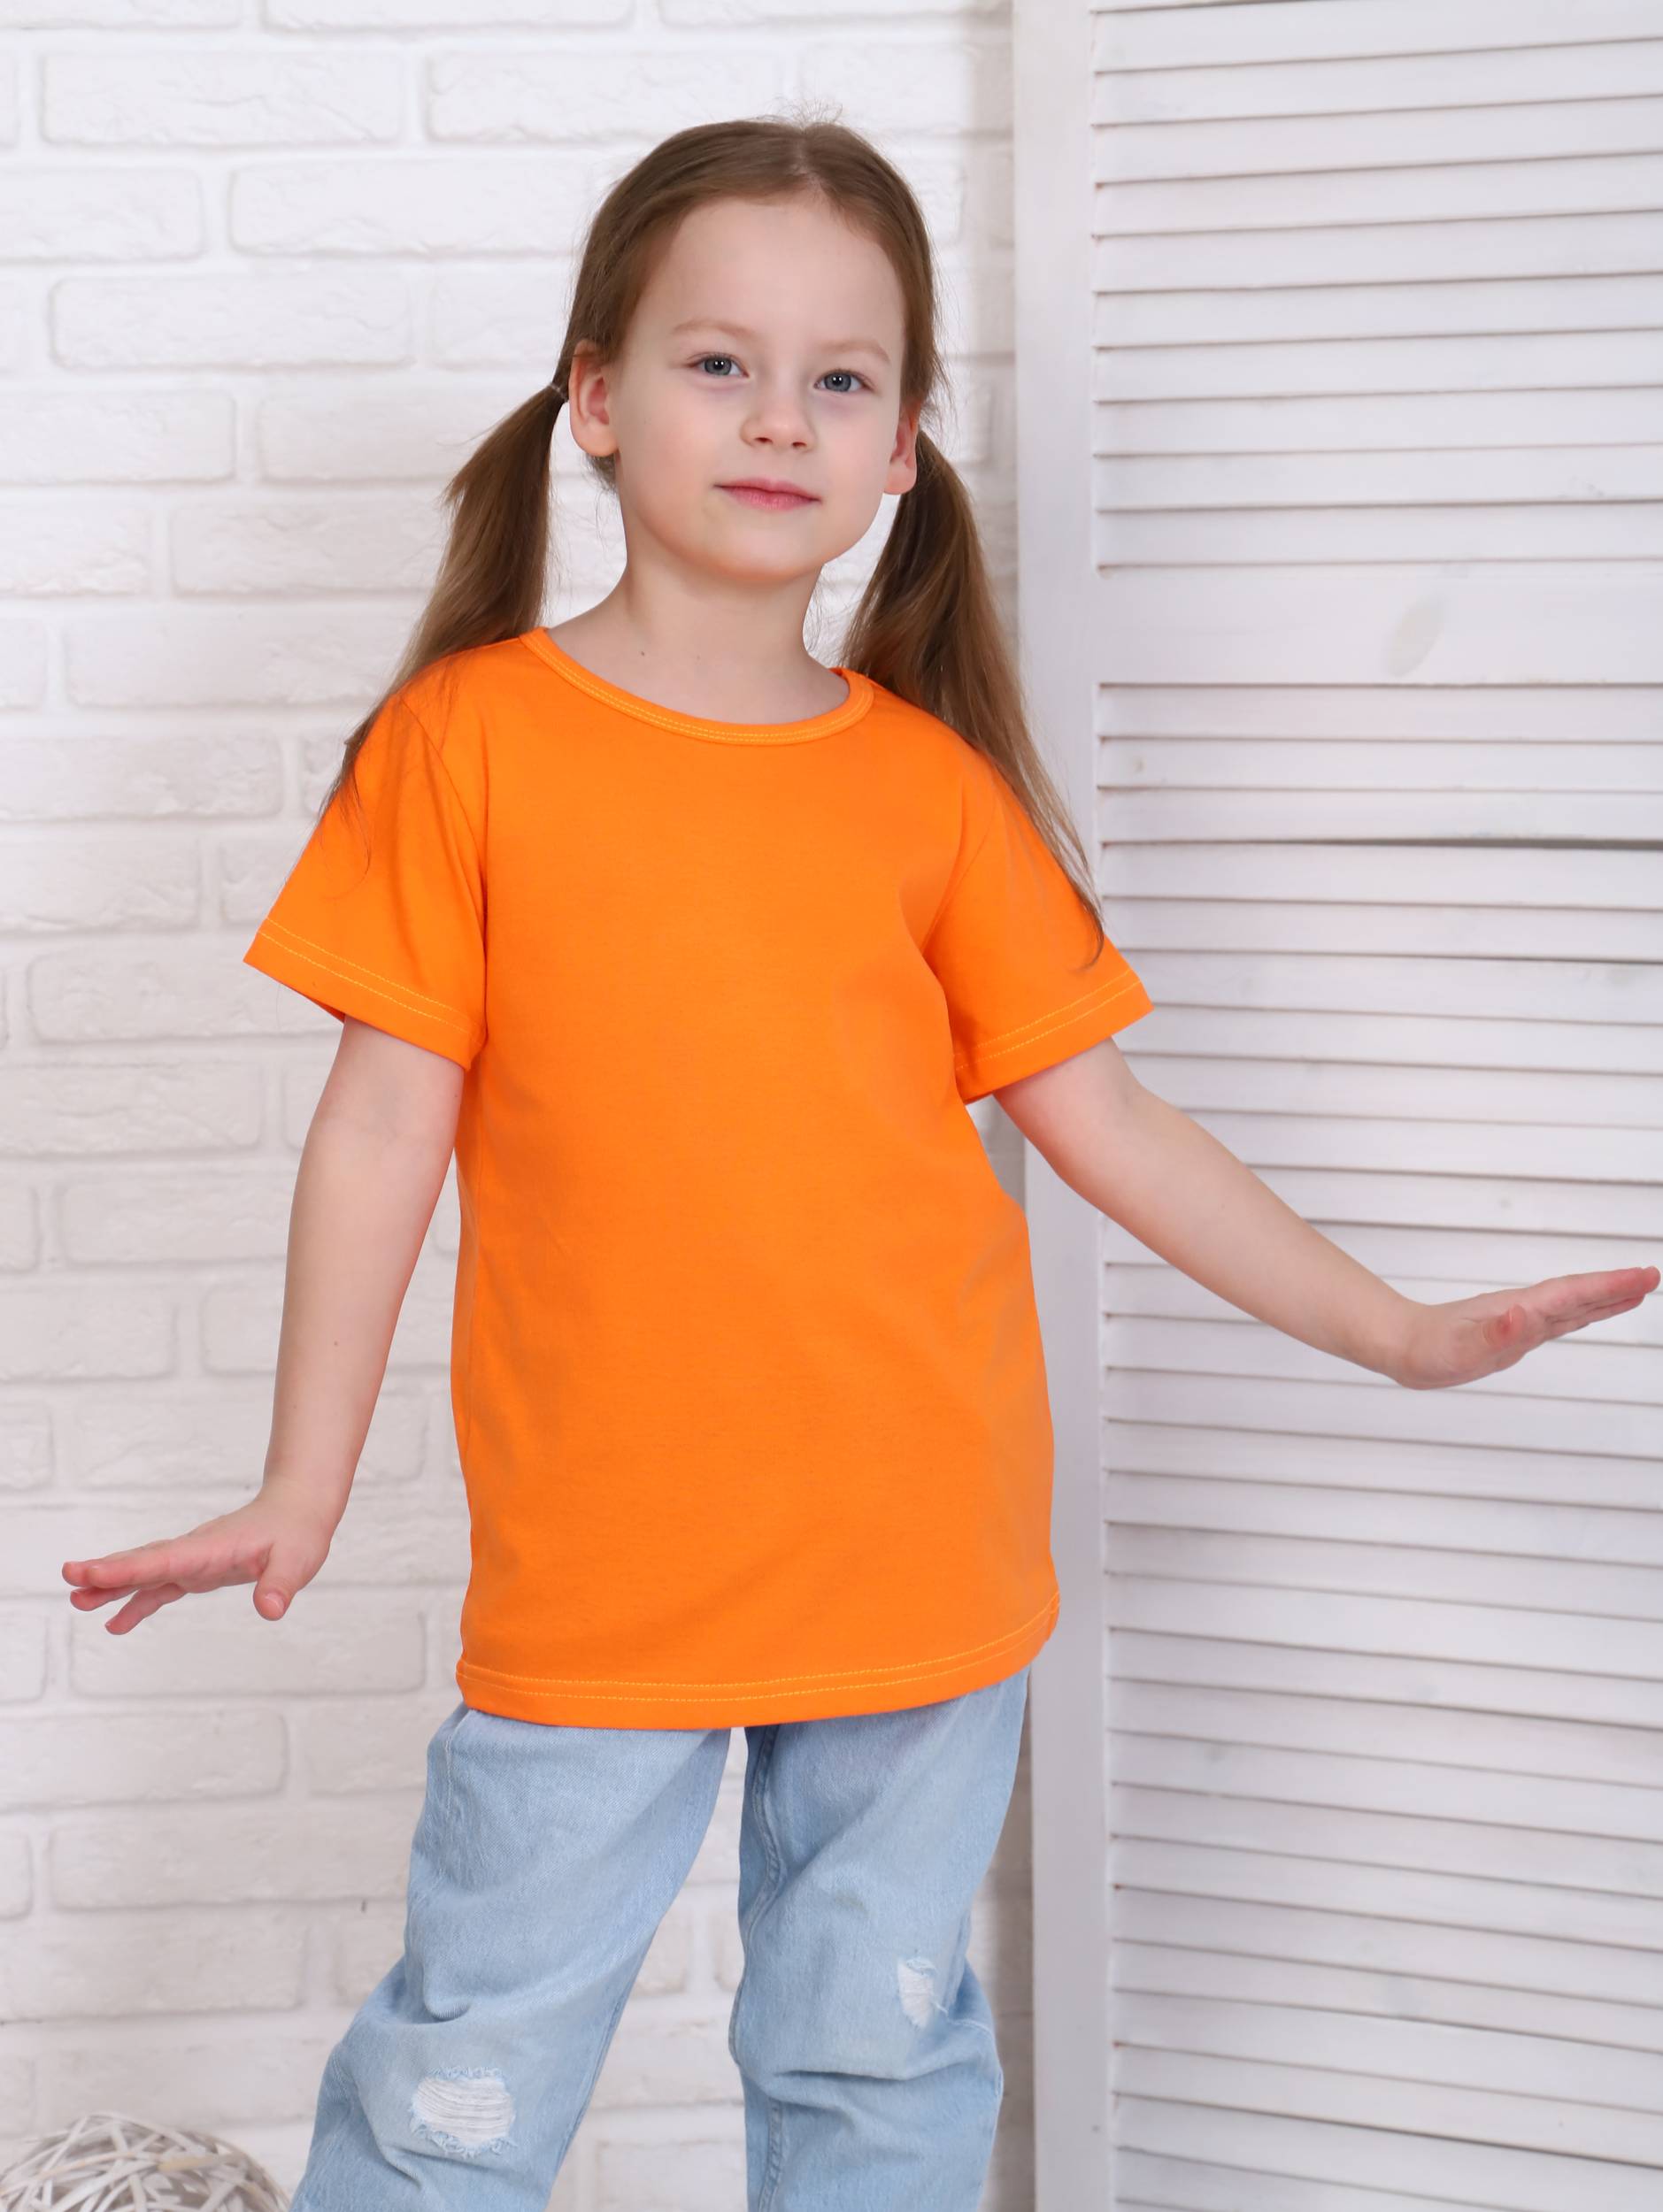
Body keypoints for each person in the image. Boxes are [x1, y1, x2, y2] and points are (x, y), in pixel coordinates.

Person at [59, 114, 1658, 2212]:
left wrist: (1398, 1331)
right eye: (719, 362)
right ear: (597, 397)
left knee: (874, 2073)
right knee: (467, 2070)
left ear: (899, 446)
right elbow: (376, 1129)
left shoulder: (928, 790)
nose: (778, 417)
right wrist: (303, 1477)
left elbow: (1108, 1122)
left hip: (921, 1555)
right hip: (607, 1571)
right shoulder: (468, 745)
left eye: (840, 377)